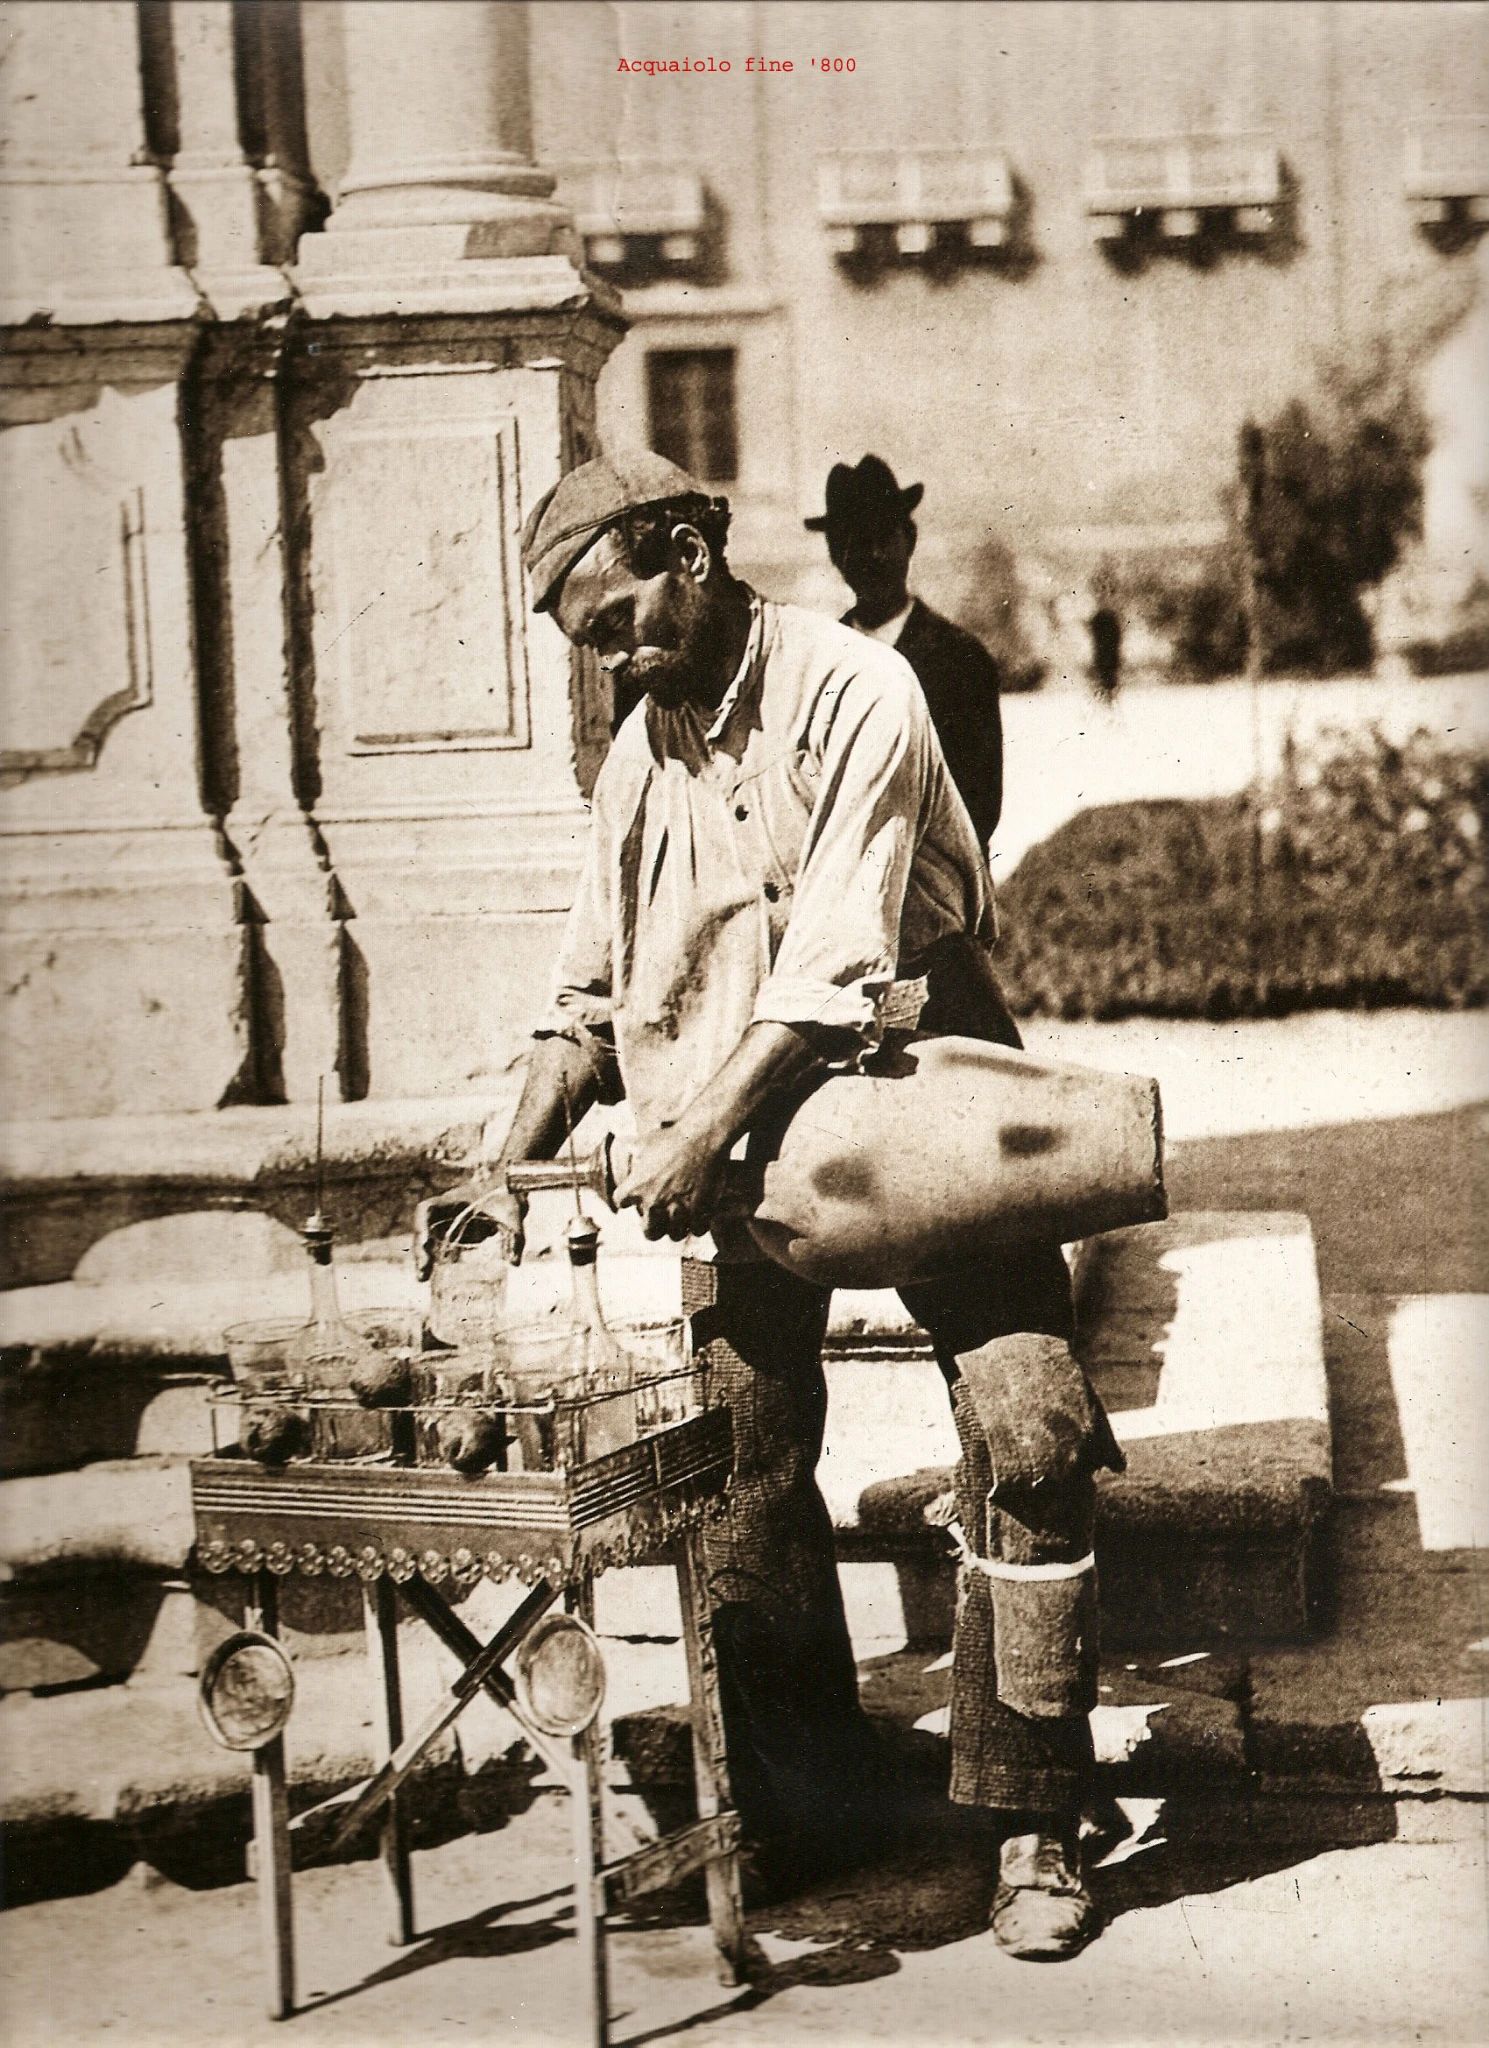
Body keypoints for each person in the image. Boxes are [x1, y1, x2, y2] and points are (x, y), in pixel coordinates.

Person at [417, 449, 1122, 1961]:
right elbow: (586, 1005)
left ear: (689, 550)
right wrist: (497, 1171)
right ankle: (797, 1810)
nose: (612, 661)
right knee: (734, 1454)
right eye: (585, 645)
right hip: (743, 1140)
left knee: (1028, 1420)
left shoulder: (856, 690)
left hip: (924, 1084)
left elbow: (835, 964)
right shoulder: (634, 759)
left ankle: (1034, 1821)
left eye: (618, 620)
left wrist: (693, 1138)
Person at [806, 454, 1005, 851]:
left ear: (909, 540)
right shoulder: (820, 663)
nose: (874, 556)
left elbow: (980, 804)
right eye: (858, 543)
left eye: (885, 538)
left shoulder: (960, 658)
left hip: (936, 885)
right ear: (834, 554)